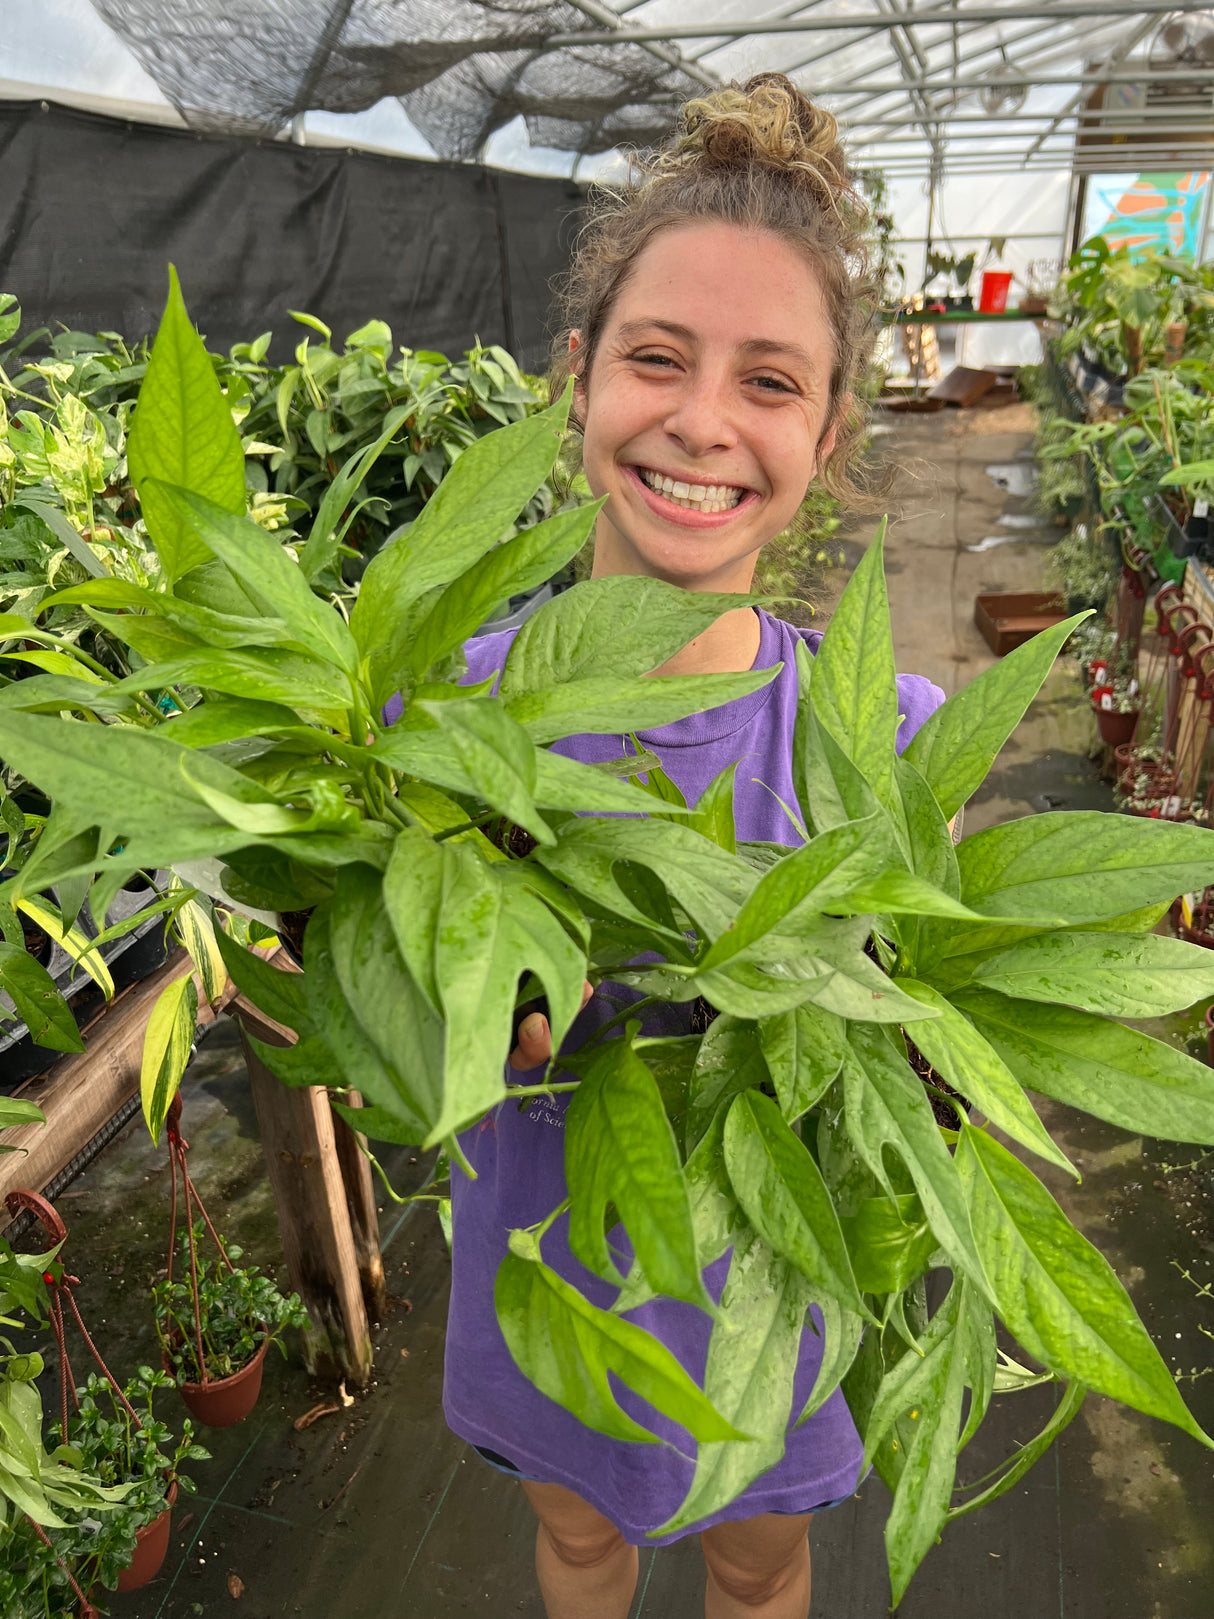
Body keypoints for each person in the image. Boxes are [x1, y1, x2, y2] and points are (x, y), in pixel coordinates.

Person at [441, 73, 945, 1619]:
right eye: (656, 359)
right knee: (577, 1539)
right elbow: (345, 980)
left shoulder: (881, 742)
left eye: (770, 381)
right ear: (578, 379)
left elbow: (934, 1040)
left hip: (761, 1289)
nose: (700, 423)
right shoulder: (452, 711)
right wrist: (446, 1006)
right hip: (542, 1269)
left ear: (830, 429)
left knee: (756, 1554)